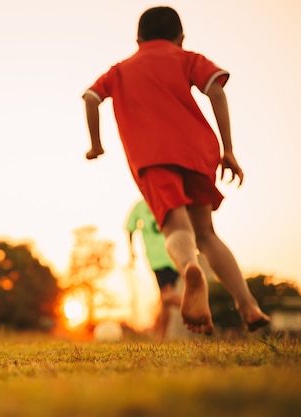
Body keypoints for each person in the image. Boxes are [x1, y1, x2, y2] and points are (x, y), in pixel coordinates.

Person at [82, 6, 270, 335]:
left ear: (138, 39)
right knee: (207, 234)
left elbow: (91, 97)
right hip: (199, 152)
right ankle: (248, 304)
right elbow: (215, 88)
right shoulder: (187, 58)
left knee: (176, 228)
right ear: (180, 38)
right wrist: (228, 150)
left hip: (154, 158)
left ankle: (189, 269)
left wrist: (96, 144)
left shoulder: (121, 70)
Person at [126, 199, 182, 339]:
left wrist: (131, 252)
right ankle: (161, 336)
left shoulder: (158, 201)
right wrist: (132, 251)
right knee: (165, 300)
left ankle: (191, 305)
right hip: (175, 256)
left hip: (162, 258)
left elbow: (129, 228)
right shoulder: (141, 206)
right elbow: (130, 227)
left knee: (166, 296)